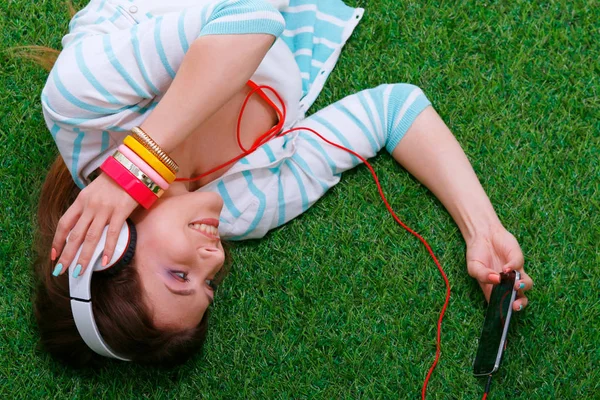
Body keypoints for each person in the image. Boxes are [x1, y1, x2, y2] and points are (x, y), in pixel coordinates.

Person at [34, 0, 532, 367]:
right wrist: (481, 229)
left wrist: (136, 168)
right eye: (207, 286)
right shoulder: (246, 208)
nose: (212, 261)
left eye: (178, 276)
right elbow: (390, 112)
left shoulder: (80, 106)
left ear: (109, 245)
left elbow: (248, 12)